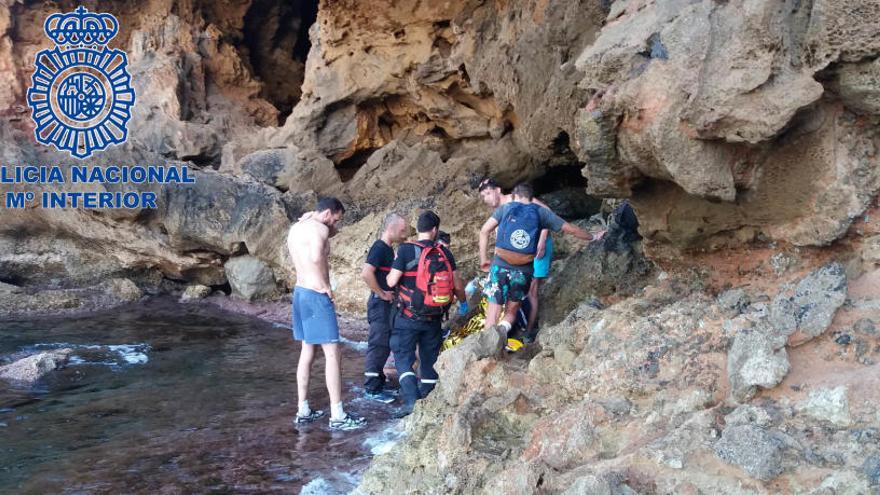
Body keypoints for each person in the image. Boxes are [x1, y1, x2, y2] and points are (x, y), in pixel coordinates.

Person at [478, 183, 605, 331]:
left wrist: (484, 259)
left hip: (500, 266)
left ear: (514, 196)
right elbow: (572, 230)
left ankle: (488, 345)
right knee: (511, 312)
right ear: (531, 198)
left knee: (493, 314)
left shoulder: (505, 209)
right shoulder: (541, 213)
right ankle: (502, 332)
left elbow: (484, 231)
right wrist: (593, 237)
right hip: (522, 271)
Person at [288, 197, 367, 431]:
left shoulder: (298, 227)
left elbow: (316, 242)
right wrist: (325, 285)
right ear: (328, 213)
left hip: (300, 292)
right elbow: (316, 257)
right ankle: (338, 414)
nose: (336, 224)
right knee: (333, 353)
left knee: (307, 349)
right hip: (315, 294)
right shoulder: (320, 229)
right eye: (336, 218)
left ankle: (303, 410)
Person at [386, 211, 467, 417]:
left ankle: (412, 401)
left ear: (419, 228)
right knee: (429, 358)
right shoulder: (445, 253)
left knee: (403, 357)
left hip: (408, 316)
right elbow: (458, 285)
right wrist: (464, 303)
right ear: (435, 230)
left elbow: (391, 282)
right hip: (434, 317)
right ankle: (428, 400)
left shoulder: (405, 250)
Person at [477, 178, 554, 340]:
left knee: (532, 291)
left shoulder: (519, 198)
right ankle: (506, 331)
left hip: (538, 247)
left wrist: (541, 240)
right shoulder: (501, 211)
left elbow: (547, 212)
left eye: (488, 193)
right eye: (483, 196)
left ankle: (527, 333)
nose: (486, 199)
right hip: (514, 259)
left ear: (498, 190)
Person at [361, 212, 408, 401]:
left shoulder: (388, 250)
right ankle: (371, 389)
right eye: (403, 230)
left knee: (385, 343)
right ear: (392, 228)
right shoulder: (379, 248)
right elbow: (366, 273)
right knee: (378, 344)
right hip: (379, 304)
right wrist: (381, 293)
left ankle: (379, 381)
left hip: (387, 305)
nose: (404, 234)